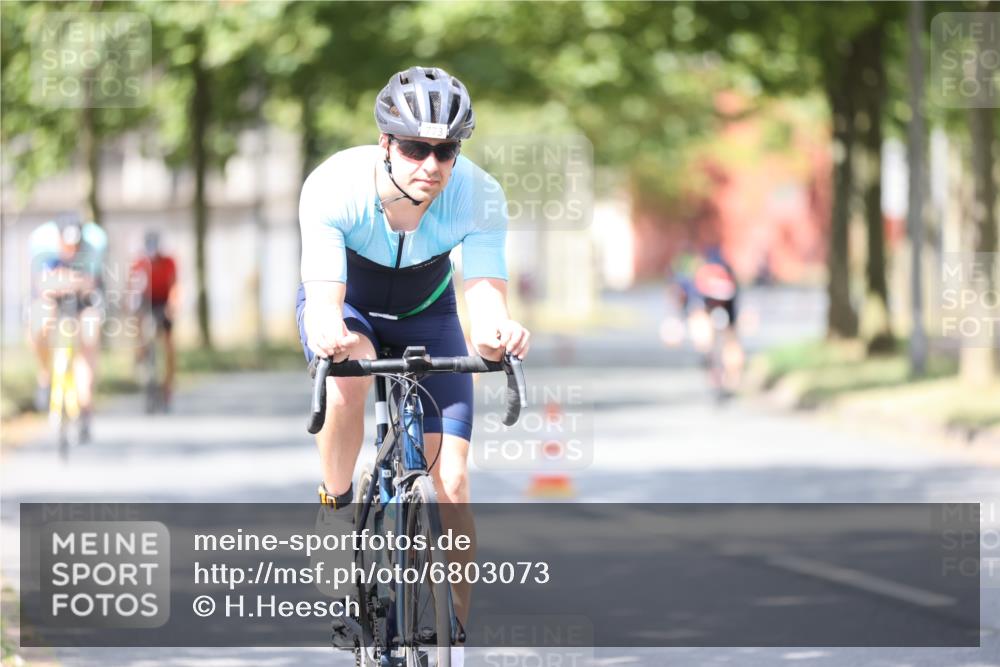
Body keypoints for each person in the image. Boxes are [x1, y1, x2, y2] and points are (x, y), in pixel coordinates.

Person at [297, 66, 530, 665]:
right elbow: (325, 302)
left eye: (445, 150)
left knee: (450, 481)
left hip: (428, 314)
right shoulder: (333, 187)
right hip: (349, 305)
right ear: (386, 144)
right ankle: (335, 502)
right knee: (351, 379)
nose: (430, 163)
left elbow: (483, 296)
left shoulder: (479, 194)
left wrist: (498, 330)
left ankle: (451, 634)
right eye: (415, 147)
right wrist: (331, 331)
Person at [27, 213, 108, 441]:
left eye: (76, 244)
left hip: (84, 300)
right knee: (40, 320)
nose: (71, 250)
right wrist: (70, 281)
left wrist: (65, 280)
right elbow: (43, 285)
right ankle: (45, 376)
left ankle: (85, 409)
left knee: (90, 335)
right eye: (67, 244)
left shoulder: (94, 245)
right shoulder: (43, 244)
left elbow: (90, 284)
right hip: (52, 298)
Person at [666, 244, 744, 395]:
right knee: (730, 340)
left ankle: (714, 367)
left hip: (709, 301)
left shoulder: (699, 275)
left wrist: (678, 324)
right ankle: (733, 378)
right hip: (728, 299)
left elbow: (688, 303)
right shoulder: (725, 270)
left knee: (708, 340)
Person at [128, 231, 178, 408]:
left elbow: (174, 287)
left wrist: (172, 306)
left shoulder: (169, 262)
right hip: (145, 300)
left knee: (169, 345)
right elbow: (132, 289)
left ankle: (168, 385)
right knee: (138, 324)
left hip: (162, 301)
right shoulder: (139, 263)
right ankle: (140, 353)